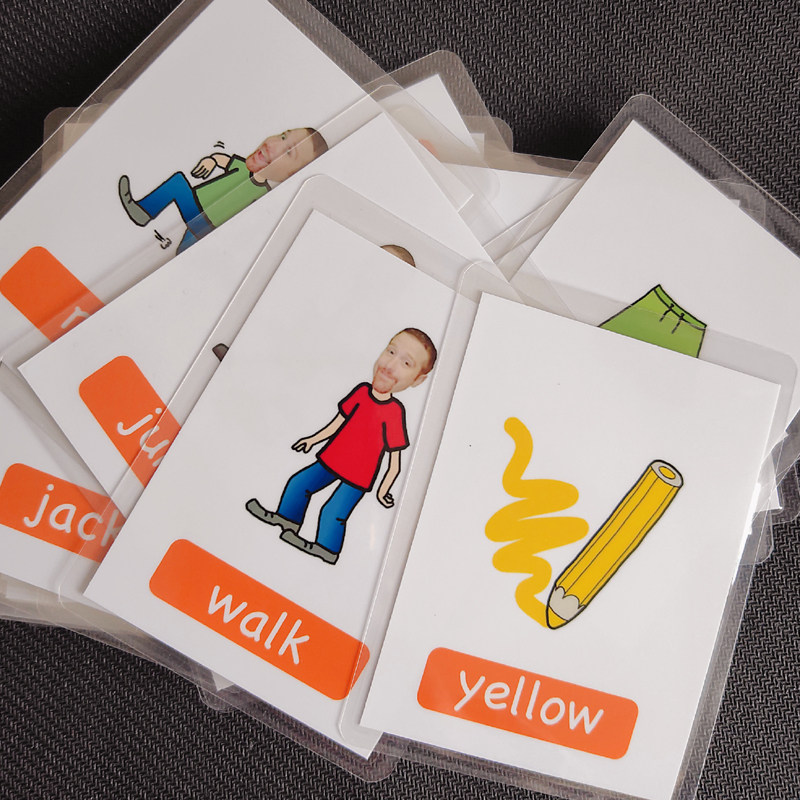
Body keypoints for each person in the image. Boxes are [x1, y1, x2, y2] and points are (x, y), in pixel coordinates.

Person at [245, 328, 437, 565]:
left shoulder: (394, 413)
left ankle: (326, 548)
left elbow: (394, 461)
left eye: (406, 363)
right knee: (299, 483)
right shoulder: (361, 392)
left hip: (358, 476)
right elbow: (337, 423)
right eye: (391, 351)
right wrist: (313, 439)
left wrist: (383, 489)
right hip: (333, 458)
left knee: (333, 511)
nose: (390, 365)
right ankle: (287, 520)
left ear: (418, 380)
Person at [118, 127, 328, 253]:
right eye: (282, 136)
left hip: (205, 220)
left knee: (178, 185)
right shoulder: (242, 167)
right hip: (201, 217)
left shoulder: (263, 196)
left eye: (288, 151)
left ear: (290, 176)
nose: (272, 144)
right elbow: (223, 160)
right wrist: (212, 160)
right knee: (182, 251)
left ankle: (144, 212)